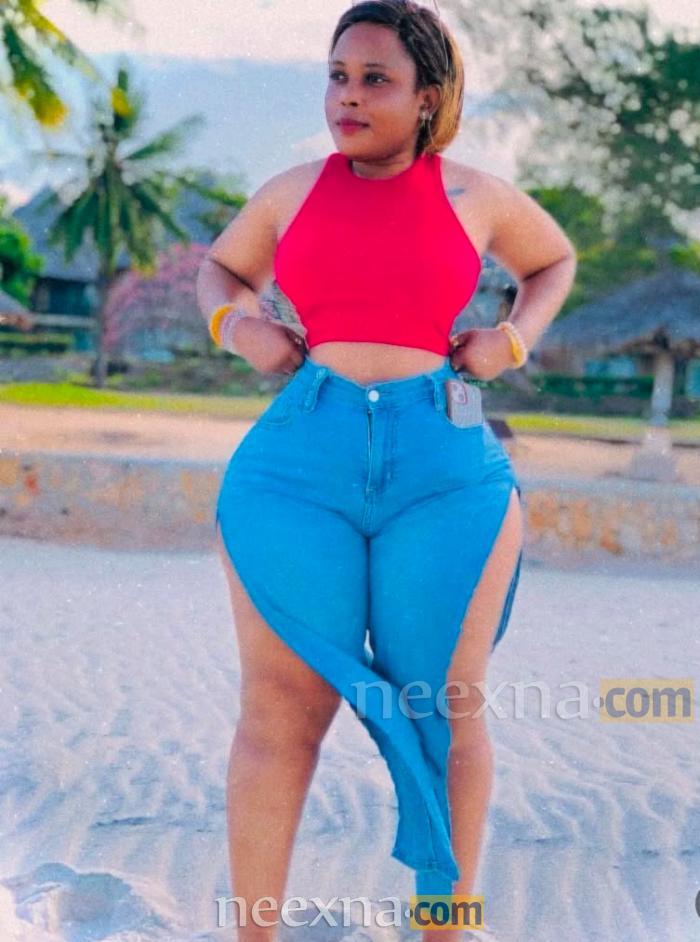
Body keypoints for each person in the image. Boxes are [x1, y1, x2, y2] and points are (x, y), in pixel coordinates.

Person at [196, 1, 576, 938]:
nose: (349, 98)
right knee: (280, 707)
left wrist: (513, 339)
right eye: (338, 77)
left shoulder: (476, 195)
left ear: (427, 97)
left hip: (444, 473)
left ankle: (445, 930)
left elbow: (552, 260)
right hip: (296, 469)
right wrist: (237, 325)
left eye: (375, 80)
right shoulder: (292, 191)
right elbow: (222, 271)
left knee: (445, 707)